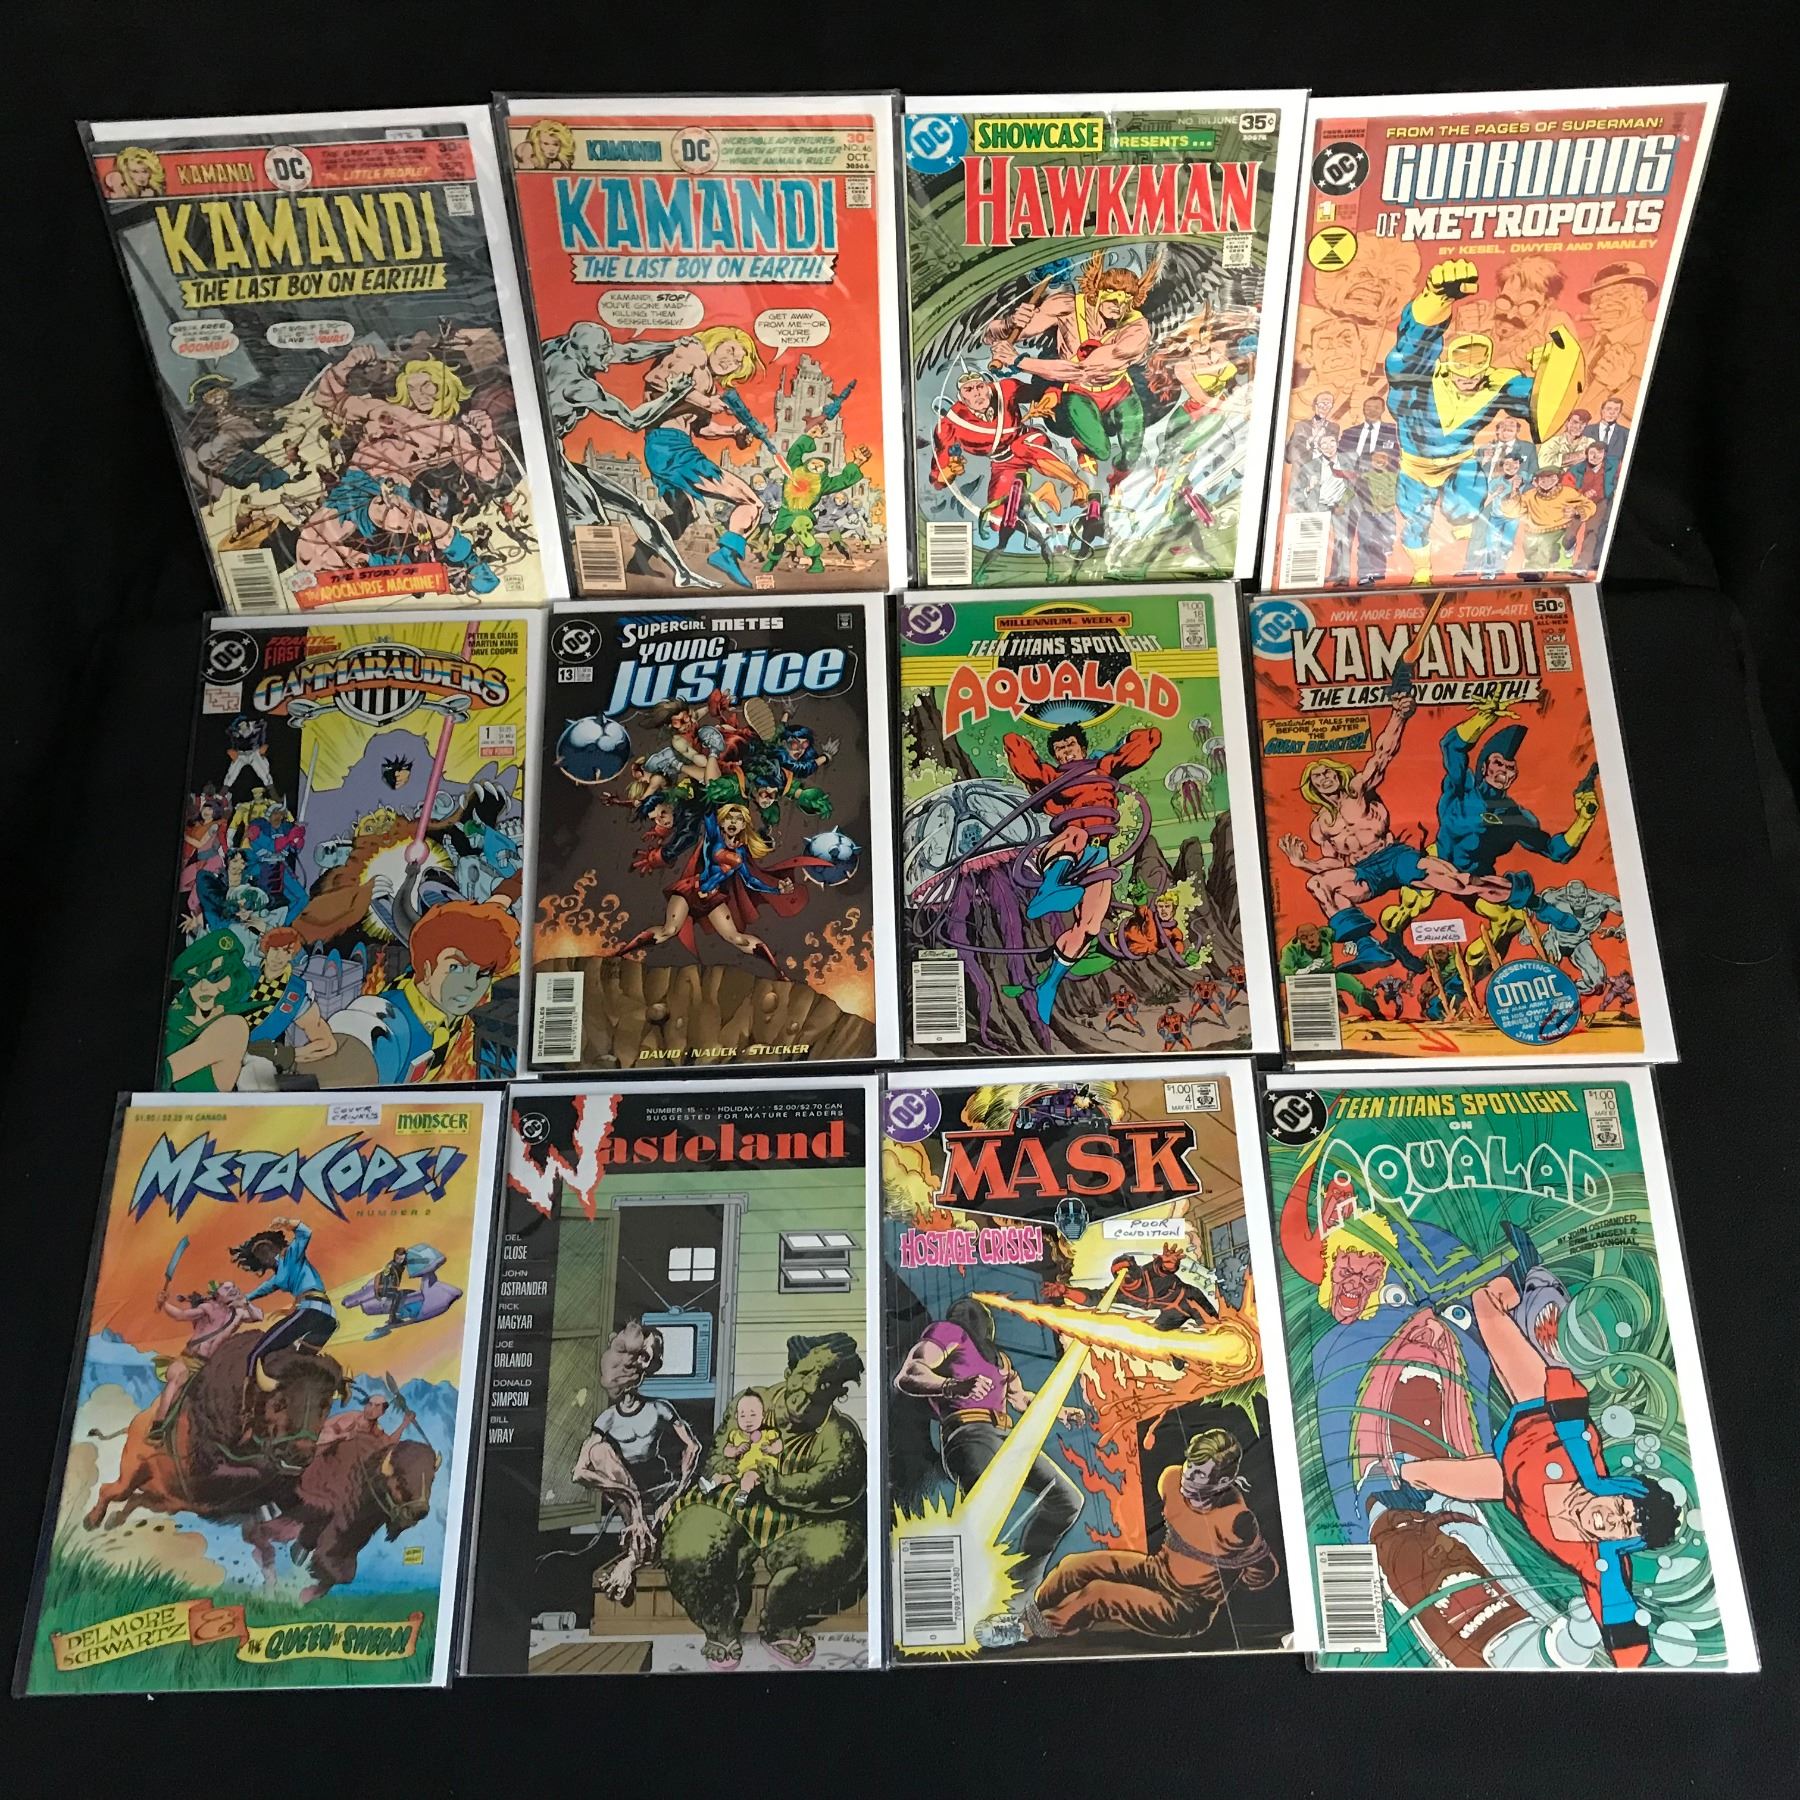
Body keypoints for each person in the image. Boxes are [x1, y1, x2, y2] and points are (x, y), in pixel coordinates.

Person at [1401, 1275, 1678, 1667]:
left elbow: (1620, 1622)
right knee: (1483, 1304)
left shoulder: (1598, 1561)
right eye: (1620, 1508)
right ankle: (1512, 1289)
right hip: (1540, 1410)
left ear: (1623, 1543)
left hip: (1509, 1482)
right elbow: (1568, 1406)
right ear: (1615, 1489)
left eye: (1622, 1528)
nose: (1609, 1519)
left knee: (1413, 1474)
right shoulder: (1578, 1453)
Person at [977, 1427, 1279, 1647]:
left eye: (1199, 1474)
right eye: (1190, 1465)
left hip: (1185, 1608)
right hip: (1155, 1571)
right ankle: (1027, 1616)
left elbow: (1265, 1571)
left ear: (1223, 1481)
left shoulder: (1237, 1522)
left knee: (1099, 1593)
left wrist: (1216, 1585)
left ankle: (1024, 1631)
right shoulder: (1171, 1479)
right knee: (1073, 1566)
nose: (1187, 1476)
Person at [1277, 690, 1487, 972]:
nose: (1325, 778)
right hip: (1366, 873)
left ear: (1338, 773)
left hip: (1395, 856)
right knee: (1319, 884)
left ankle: (1516, 896)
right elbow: (1334, 864)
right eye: (1318, 777)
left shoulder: (1357, 791)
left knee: (1458, 883)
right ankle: (1368, 947)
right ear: (1312, 787)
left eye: (1328, 772)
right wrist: (1302, 863)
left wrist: (1398, 716)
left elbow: (1382, 754)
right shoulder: (1320, 826)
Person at [894, 1297, 1084, 1601]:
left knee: (1066, 1501)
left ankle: (1021, 1594)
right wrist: (952, 1386)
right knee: (985, 1516)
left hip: (1009, 1439)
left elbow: (1020, 1399)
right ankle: (963, 1596)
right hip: (970, 1434)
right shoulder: (948, 1333)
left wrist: (1060, 1412)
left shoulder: (1001, 1360)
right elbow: (910, 1373)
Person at [1005, 720, 1161, 1021]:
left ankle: (1048, 985)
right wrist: (1019, 745)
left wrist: (1119, 745)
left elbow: (1149, 739)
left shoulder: (1103, 766)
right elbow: (1019, 752)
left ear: (1083, 748)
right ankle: (1050, 889)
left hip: (1098, 854)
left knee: (1089, 926)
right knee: (1077, 835)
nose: (1066, 752)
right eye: (1059, 749)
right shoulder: (1054, 777)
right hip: (1066, 845)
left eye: (1070, 746)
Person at [572, 1320, 704, 1601]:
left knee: (661, 1521)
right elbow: (579, 1471)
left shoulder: (659, 1408)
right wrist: (630, 1496)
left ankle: (630, 1563)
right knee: (598, 1452)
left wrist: (677, 1493)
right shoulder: (606, 1420)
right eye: (636, 1356)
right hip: (628, 1495)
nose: (638, 1365)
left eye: (646, 1358)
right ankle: (631, 1558)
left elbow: (693, 1447)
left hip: (662, 1488)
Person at [148, 1281, 262, 1444]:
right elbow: (180, 1315)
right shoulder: (208, 1308)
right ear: (218, 1293)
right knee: (177, 1380)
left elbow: (258, 1316)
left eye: (234, 1287)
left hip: (210, 1366)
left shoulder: (239, 1314)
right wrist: (164, 1304)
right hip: (189, 1359)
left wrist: (247, 1303)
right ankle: (158, 1426)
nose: (233, 1290)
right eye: (227, 1288)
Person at [232, 1217, 337, 1377]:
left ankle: (248, 1389)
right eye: (260, 1255)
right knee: (299, 1362)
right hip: (326, 1316)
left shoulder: (291, 1255)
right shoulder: (278, 1277)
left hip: (312, 1311)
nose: (265, 1255)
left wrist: (286, 1222)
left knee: (255, 1355)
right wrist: (245, 1299)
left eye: (266, 1250)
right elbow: (263, 1289)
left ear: (275, 1246)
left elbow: (305, 1233)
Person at [1511, 468, 1596, 575]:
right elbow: (1513, 510)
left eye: (1551, 477)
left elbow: (1589, 505)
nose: (1546, 481)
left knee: (1545, 544)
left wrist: (1576, 511)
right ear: (1537, 481)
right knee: (1530, 548)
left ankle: (1535, 570)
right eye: (1542, 478)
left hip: (1558, 528)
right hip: (1534, 531)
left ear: (1557, 479)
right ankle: (1551, 560)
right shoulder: (1530, 495)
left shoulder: (1567, 492)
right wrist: (1514, 491)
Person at [718, 1390, 783, 1498]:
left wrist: (771, 1449)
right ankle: (710, 1485)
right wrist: (736, 1450)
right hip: (740, 1471)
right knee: (721, 1476)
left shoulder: (767, 1433)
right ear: (736, 1416)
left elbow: (779, 1445)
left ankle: (743, 1495)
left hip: (760, 1470)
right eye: (743, 1416)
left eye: (753, 1415)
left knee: (748, 1477)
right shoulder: (735, 1435)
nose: (748, 1420)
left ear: (762, 1416)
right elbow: (726, 1451)